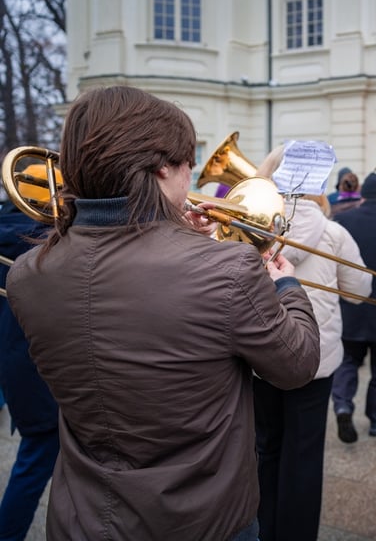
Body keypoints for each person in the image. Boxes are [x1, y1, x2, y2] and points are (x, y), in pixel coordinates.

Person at [4, 86, 321, 540]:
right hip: (201, 520)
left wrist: (177, 235)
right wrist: (285, 285)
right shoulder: (228, 266)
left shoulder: (28, 273)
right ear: (162, 166)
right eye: (189, 163)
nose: (191, 177)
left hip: (84, 517)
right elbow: (298, 364)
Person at [254, 147, 372, 541]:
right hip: (314, 359)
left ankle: (263, 530)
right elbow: (360, 292)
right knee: (303, 456)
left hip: (260, 358)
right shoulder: (335, 232)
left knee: (264, 448)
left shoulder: (248, 228)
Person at [0, 200, 59, 541]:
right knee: (33, 467)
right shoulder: (43, 233)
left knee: (34, 465)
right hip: (39, 368)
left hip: (21, 363)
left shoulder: (9, 227)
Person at [331, 173, 376, 442]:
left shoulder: (343, 219)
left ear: (364, 194)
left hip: (351, 304)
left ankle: (342, 404)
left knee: (347, 361)